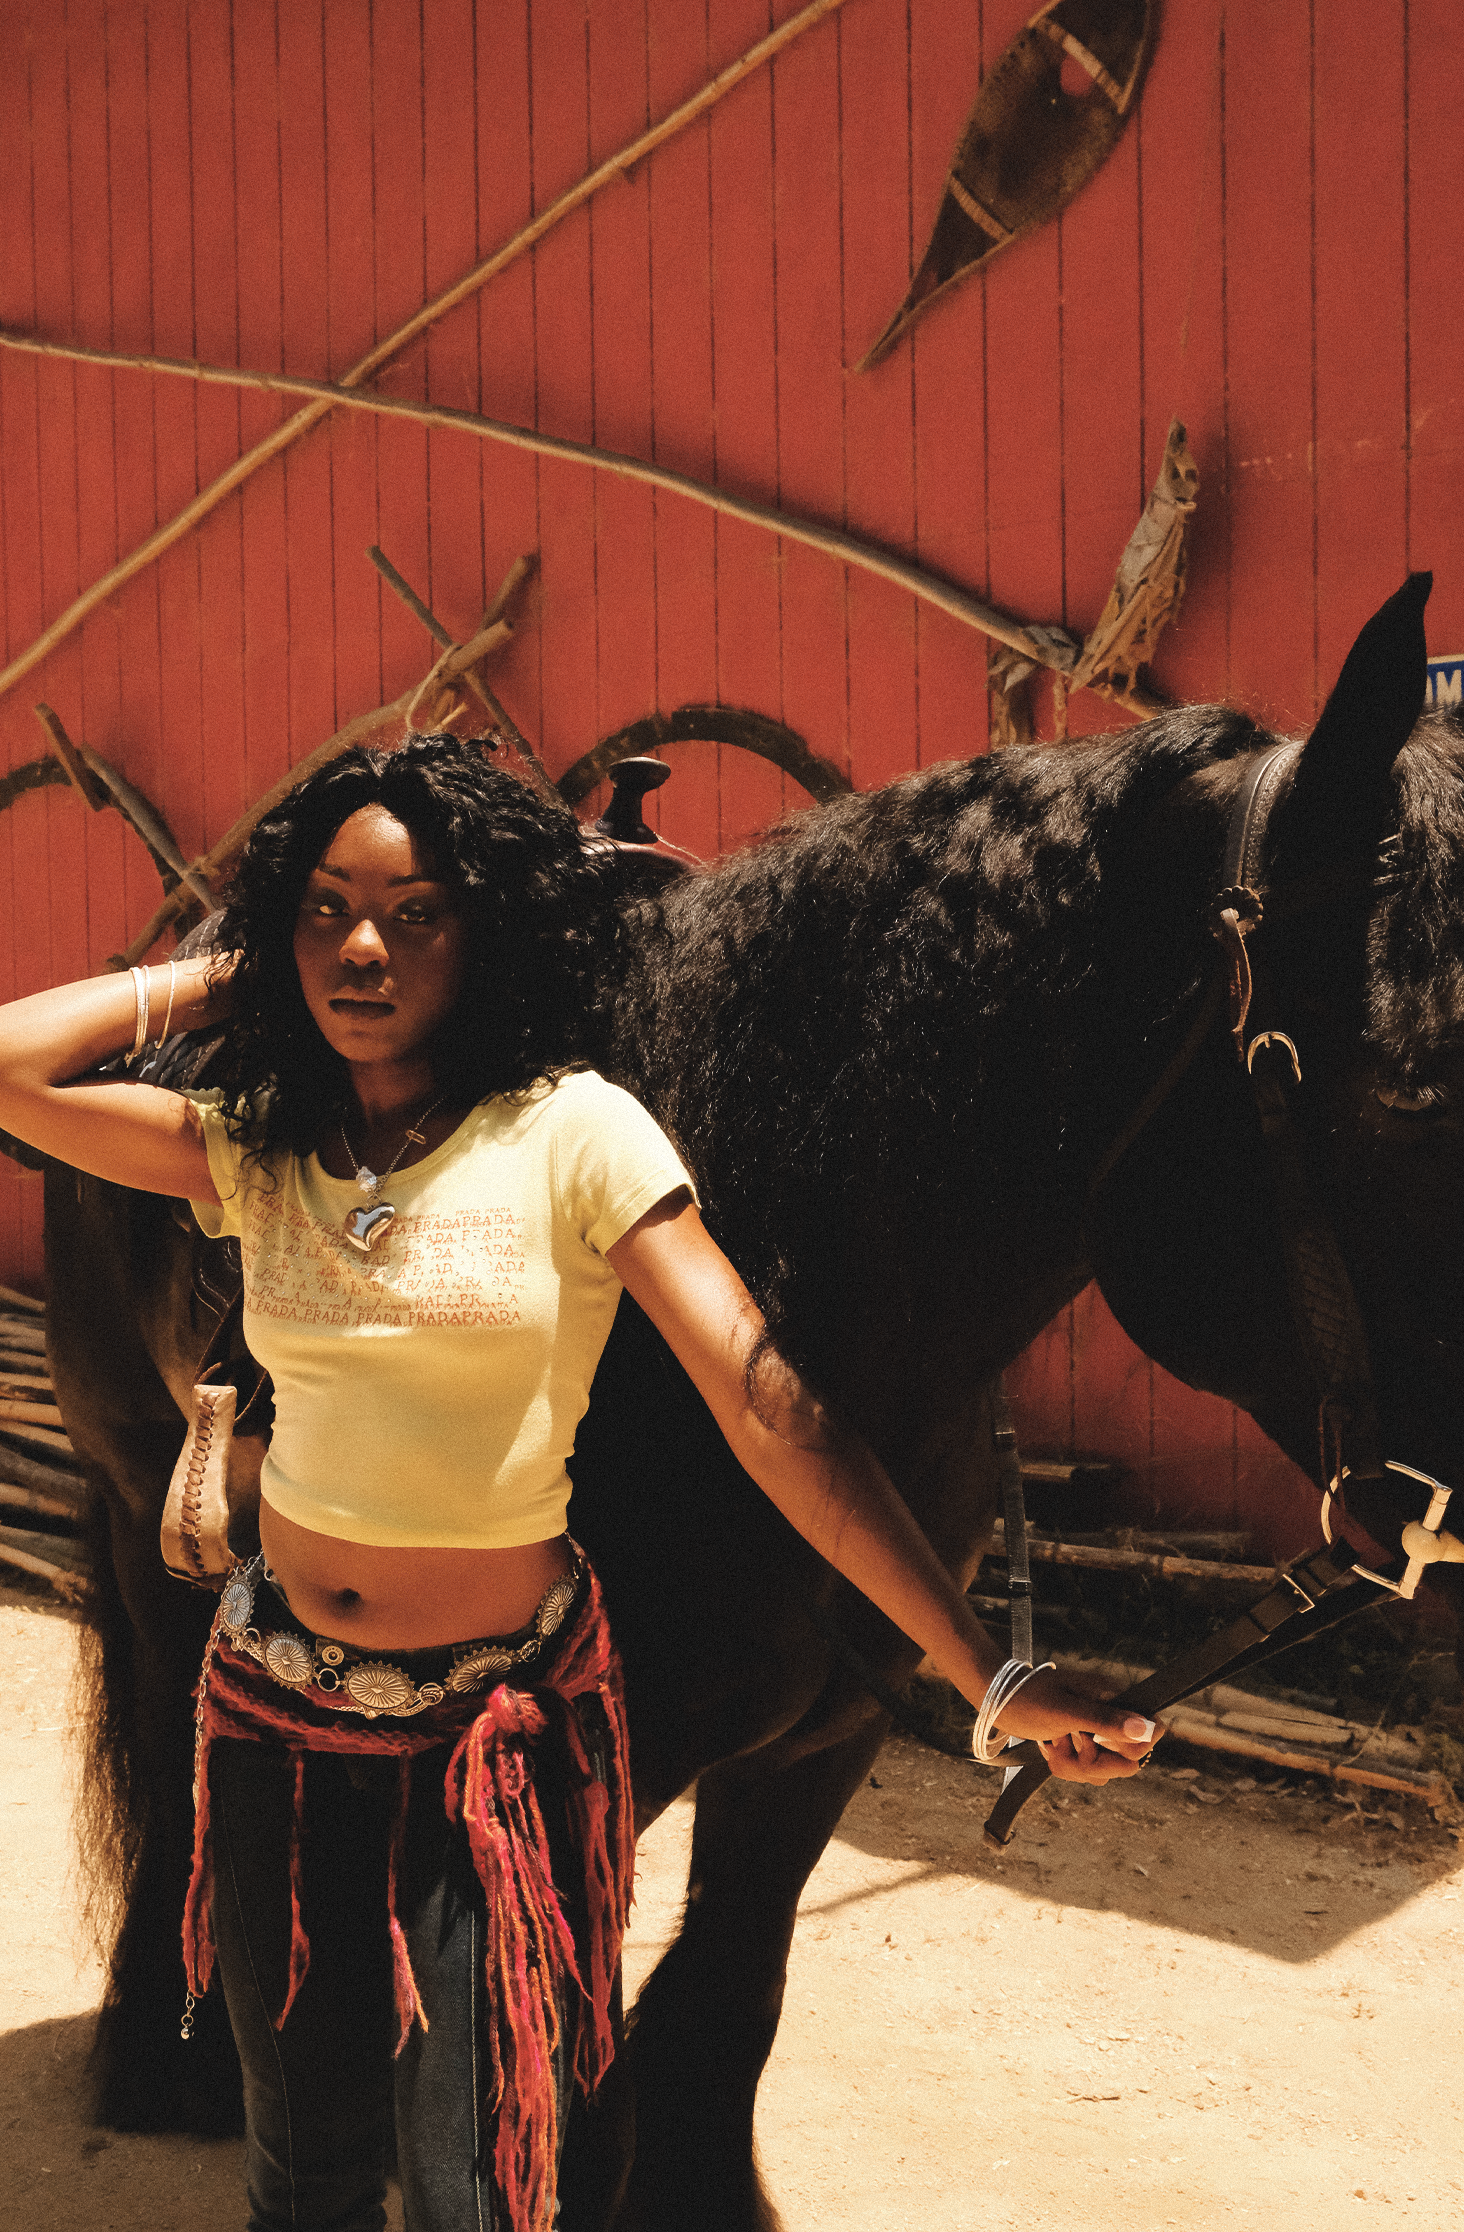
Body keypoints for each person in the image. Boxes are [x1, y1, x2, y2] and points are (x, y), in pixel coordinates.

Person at [0, 736, 1155, 2232]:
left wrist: (990, 1678)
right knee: (305, 2183)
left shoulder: (574, 1134)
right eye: (330, 909)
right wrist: (243, 969)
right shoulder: (258, 1151)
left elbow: (772, 1407)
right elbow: (17, 1067)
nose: (367, 945)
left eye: (418, 912)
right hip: (282, 1722)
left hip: (509, 1743)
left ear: (488, 935)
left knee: (484, 2183)